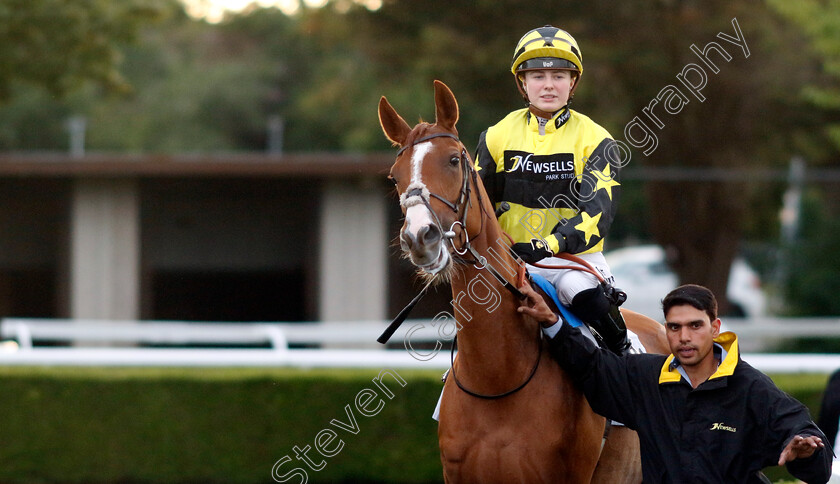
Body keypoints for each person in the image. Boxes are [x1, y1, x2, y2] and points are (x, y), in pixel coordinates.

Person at [517, 282, 832, 483]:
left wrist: (807, 452)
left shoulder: (751, 387)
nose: (684, 337)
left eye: (695, 325)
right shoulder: (645, 378)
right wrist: (551, 321)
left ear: (715, 327)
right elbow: (592, 365)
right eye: (674, 327)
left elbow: (805, 438)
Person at [475, 25, 630, 355]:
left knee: (582, 294)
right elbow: (479, 207)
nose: (548, 85)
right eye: (537, 76)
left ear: (573, 82)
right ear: (523, 83)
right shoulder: (495, 137)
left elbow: (596, 216)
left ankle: (625, 355)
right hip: (510, 260)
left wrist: (548, 244)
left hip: (571, 260)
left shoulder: (596, 139)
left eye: (559, 75)